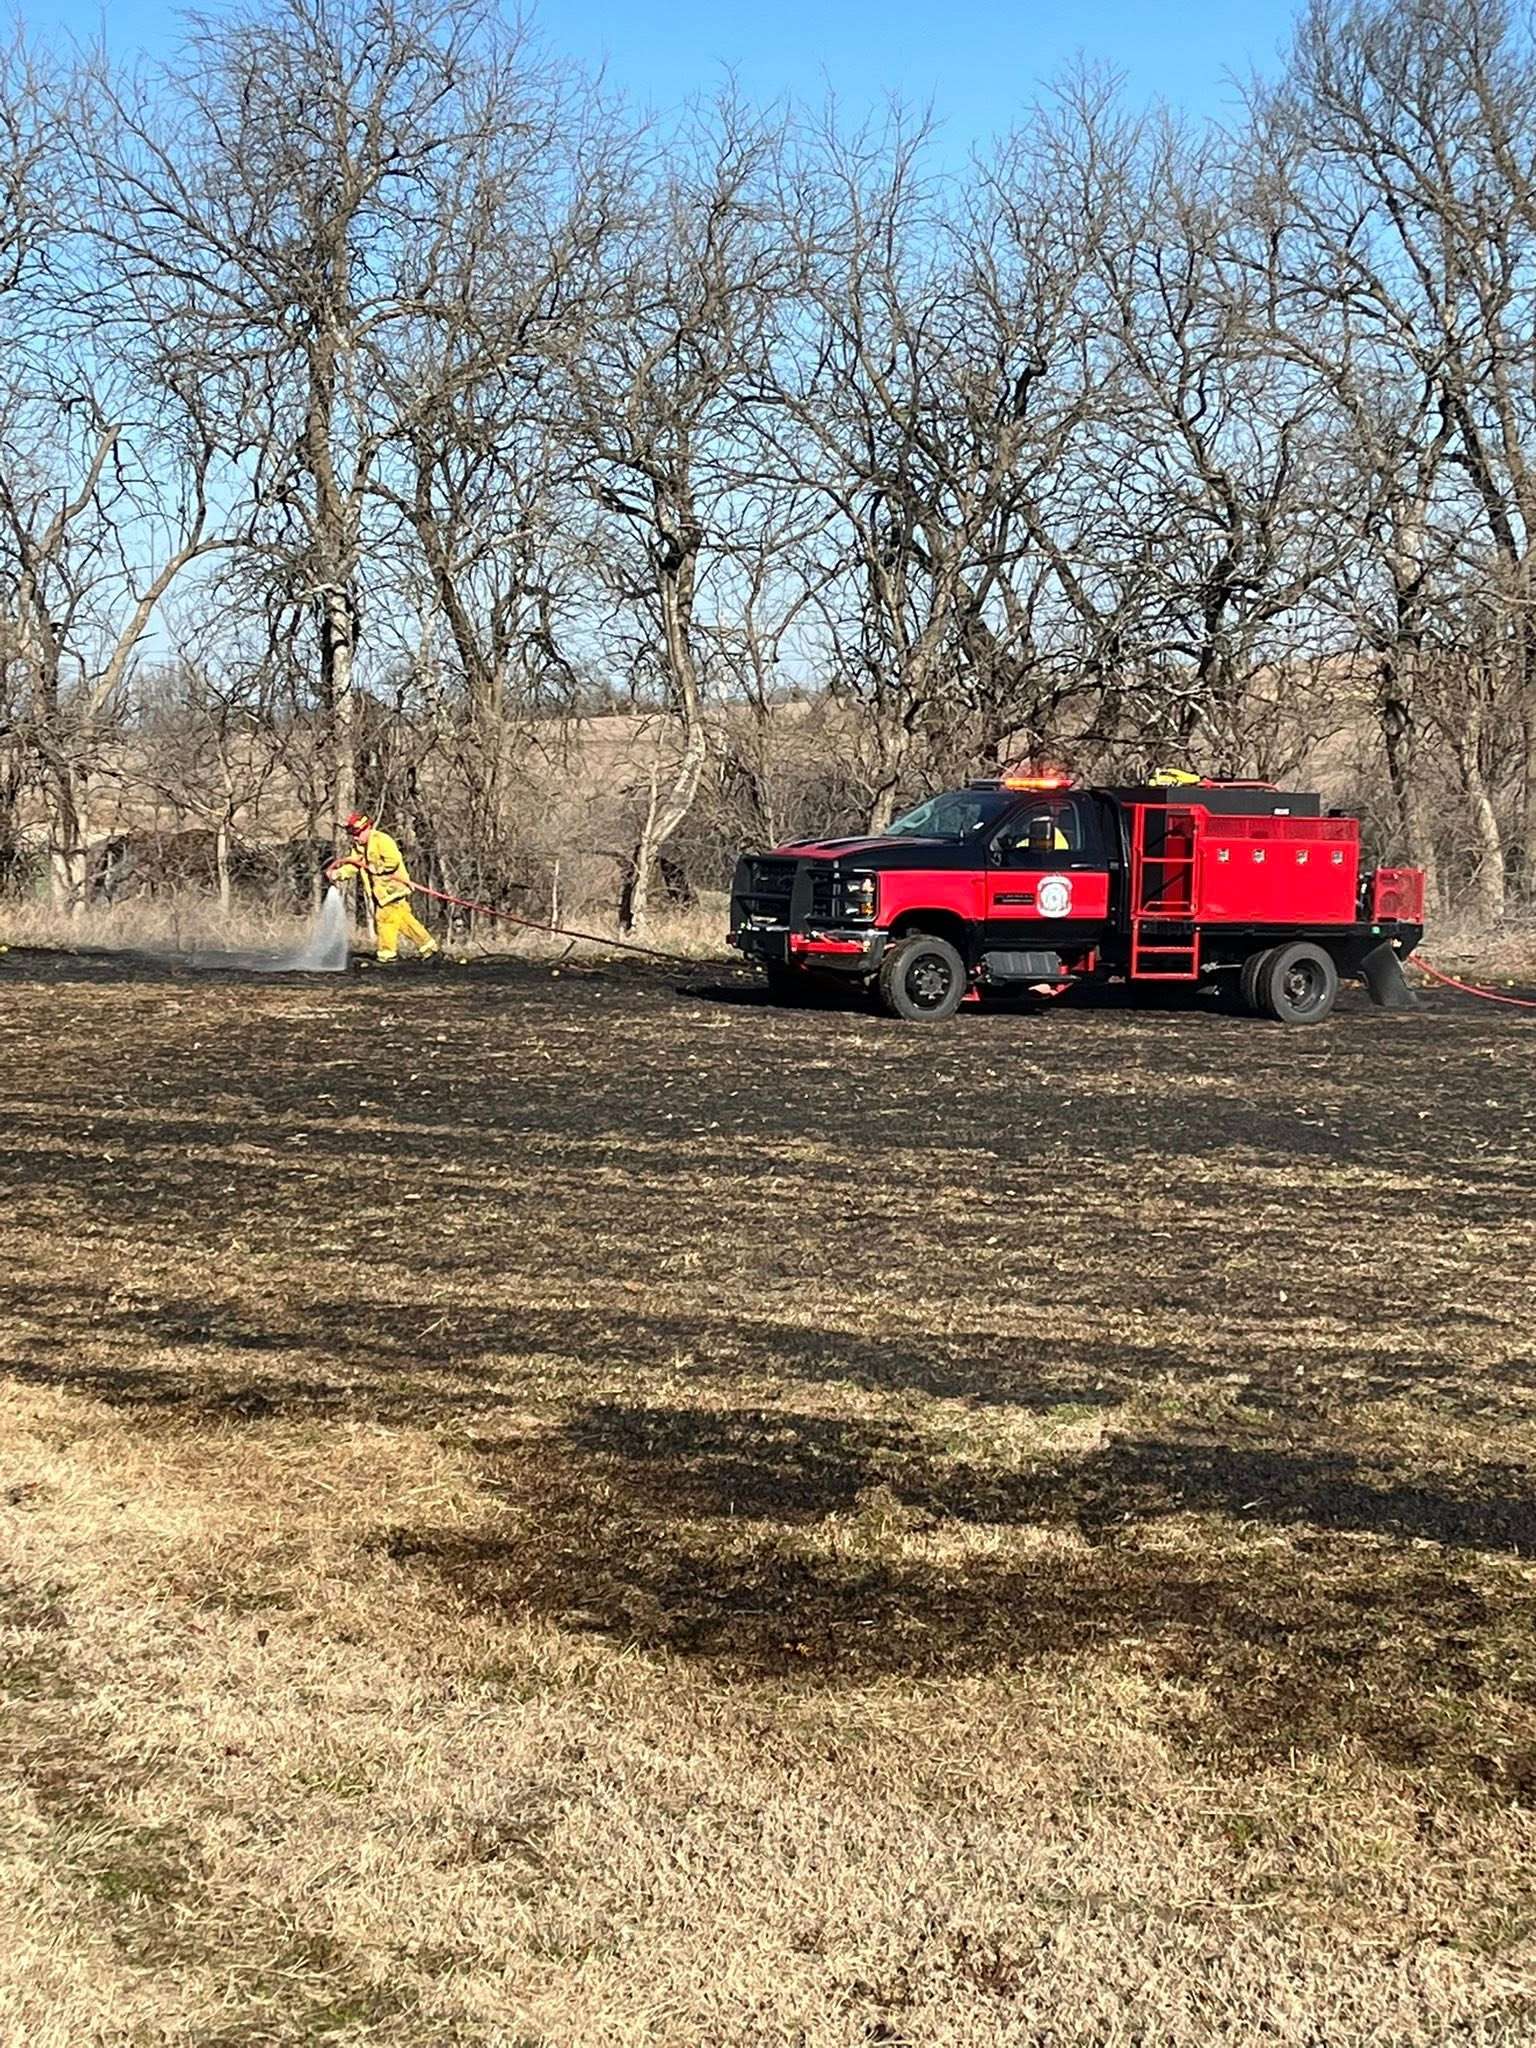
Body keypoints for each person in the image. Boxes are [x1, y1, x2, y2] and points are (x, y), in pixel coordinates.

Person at [326, 812, 439, 963]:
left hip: (392, 889)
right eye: (353, 835)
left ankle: (387, 955)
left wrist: (378, 867)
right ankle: (429, 947)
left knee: (384, 919)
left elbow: (393, 860)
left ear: (367, 828)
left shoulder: (382, 840)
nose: (355, 838)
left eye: (357, 834)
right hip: (381, 892)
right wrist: (338, 874)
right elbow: (353, 865)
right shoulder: (359, 847)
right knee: (404, 921)